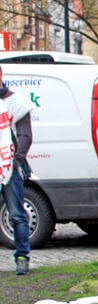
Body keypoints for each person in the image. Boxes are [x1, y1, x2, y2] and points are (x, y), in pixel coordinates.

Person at [0, 64, 33, 274]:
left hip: (9, 166)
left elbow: (25, 135)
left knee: (17, 214)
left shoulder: (15, 102)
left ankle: (22, 257)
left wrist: (16, 161)